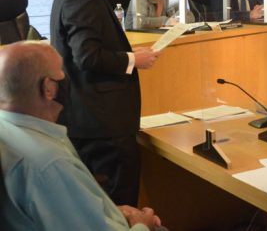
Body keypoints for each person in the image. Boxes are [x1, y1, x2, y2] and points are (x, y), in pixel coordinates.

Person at [0, 41, 163, 231]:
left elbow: (62, 211)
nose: (66, 79)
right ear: (48, 88)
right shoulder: (49, 164)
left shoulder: (11, 132)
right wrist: (143, 225)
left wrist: (110, 211)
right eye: (62, 73)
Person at [50, 0, 159, 206]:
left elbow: (91, 46)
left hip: (95, 120)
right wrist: (134, 59)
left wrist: (124, 51)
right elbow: (86, 56)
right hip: (101, 125)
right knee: (118, 206)